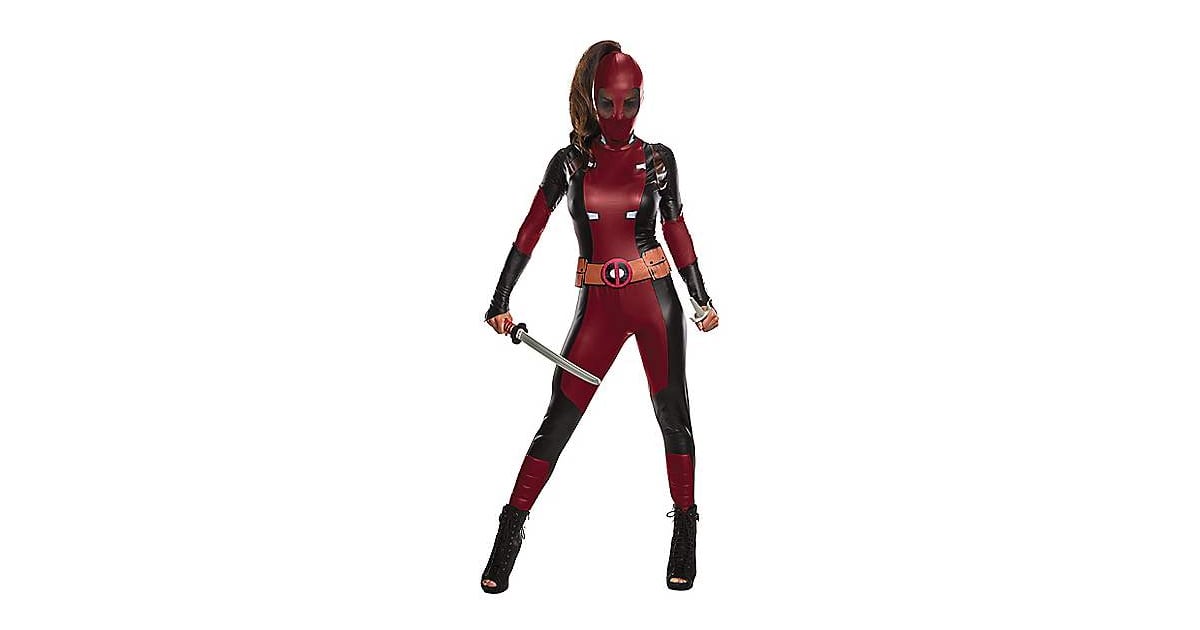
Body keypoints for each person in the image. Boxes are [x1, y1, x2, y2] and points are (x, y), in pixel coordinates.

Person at [480, 40, 719, 593]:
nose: (618, 115)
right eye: (608, 103)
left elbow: (676, 228)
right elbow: (531, 228)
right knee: (558, 420)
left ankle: (685, 528)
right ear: (591, 100)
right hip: (598, 309)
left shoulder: (659, 158)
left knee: (674, 415)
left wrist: (700, 298)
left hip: (655, 299)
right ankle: (510, 529)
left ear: (642, 99)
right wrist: (500, 298)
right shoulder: (569, 162)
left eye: (629, 103)